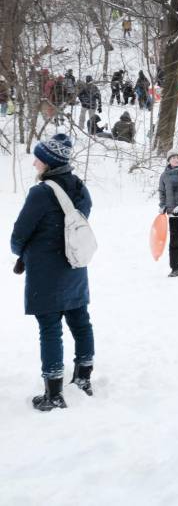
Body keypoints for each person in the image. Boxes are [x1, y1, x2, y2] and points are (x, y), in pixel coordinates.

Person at [11, 134, 95, 411]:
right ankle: (83, 378)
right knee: (81, 322)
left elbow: (19, 235)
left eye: (39, 157)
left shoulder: (42, 192)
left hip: (46, 272)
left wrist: (21, 251)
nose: (34, 162)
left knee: (50, 329)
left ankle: (53, 393)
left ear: (49, 162)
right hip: (74, 265)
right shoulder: (79, 187)